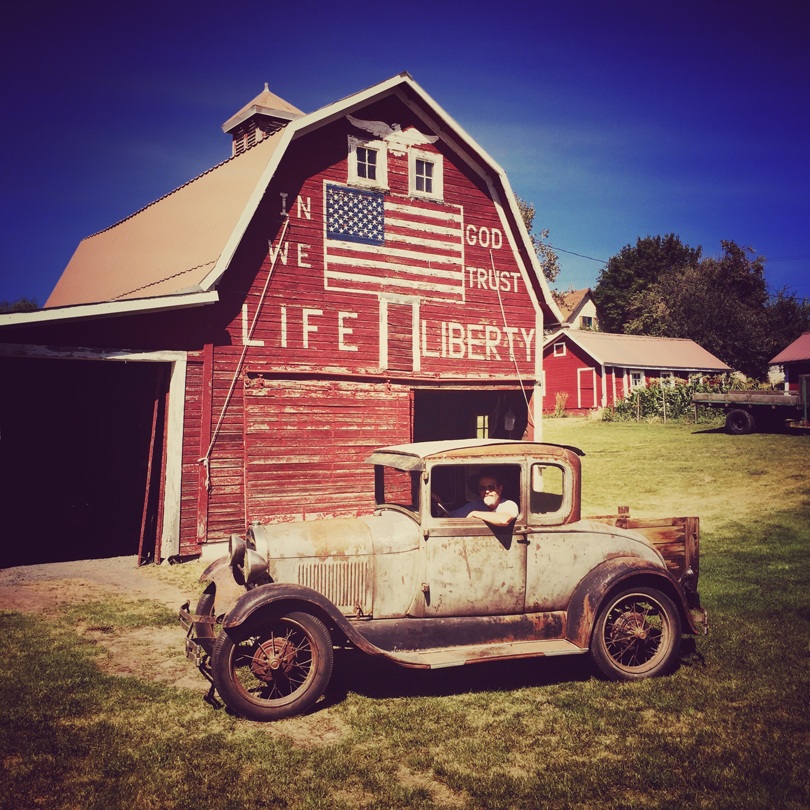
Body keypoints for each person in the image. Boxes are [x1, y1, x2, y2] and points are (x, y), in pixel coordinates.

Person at [450, 468, 518, 527]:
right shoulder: (476, 504)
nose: (487, 491)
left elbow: (504, 520)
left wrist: (475, 514)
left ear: (500, 489)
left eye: (491, 487)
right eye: (482, 488)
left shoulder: (509, 504)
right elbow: (452, 517)